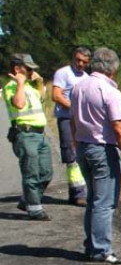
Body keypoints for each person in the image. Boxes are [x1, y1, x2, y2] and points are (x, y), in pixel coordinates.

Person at [70, 47, 121, 264]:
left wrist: (75, 144)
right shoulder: (110, 92)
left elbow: (72, 120)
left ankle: (91, 244)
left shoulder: (78, 87)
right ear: (114, 68)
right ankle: (101, 249)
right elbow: (119, 127)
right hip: (102, 149)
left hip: (83, 146)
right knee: (104, 202)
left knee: (92, 199)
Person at [4, 53, 53, 221]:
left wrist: (39, 82)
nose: (32, 71)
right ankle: (34, 209)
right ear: (18, 69)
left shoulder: (31, 87)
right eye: (29, 68)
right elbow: (18, 104)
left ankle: (27, 200)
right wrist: (20, 84)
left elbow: (42, 97)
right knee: (31, 173)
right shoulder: (11, 86)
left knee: (46, 173)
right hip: (25, 134)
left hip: (40, 134)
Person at [52, 47, 91, 206]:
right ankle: (78, 194)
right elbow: (56, 95)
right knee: (72, 156)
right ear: (73, 58)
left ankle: (82, 191)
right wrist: (74, 108)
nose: (80, 64)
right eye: (78, 60)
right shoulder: (63, 73)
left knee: (83, 155)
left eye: (84, 62)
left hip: (82, 121)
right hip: (67, 119)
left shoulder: (87, 77)